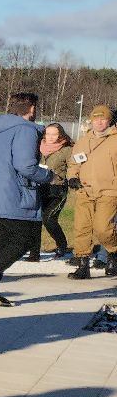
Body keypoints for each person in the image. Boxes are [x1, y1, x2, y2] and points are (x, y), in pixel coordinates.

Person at [0, 91, 53, 305]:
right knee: (25, 240)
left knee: (0, 244)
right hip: (10, 195)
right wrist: (48, 175)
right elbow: (25, 165)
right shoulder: (25, 130)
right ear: (32, 108)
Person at [65, 104, 117, 279]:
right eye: (96, 119)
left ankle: (113, 254)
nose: (99, 122)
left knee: (103, 228)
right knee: (82, 228)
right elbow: (74, 163)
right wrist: (72, 176)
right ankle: (82, 264)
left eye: (103, 119)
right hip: (84, 190)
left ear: (110, 120)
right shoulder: (83, 141)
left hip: (109, 190)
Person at [33, 123, 74, 261]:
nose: (50, 137)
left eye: (54, 134)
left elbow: (74, 167)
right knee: (35, 219)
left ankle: (62, 244)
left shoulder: (67, 149)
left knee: (49, 218)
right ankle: (34, 252)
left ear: (60, 135)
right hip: (39, 188)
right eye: (48, 134)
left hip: (58, 190)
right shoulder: (38, 147)